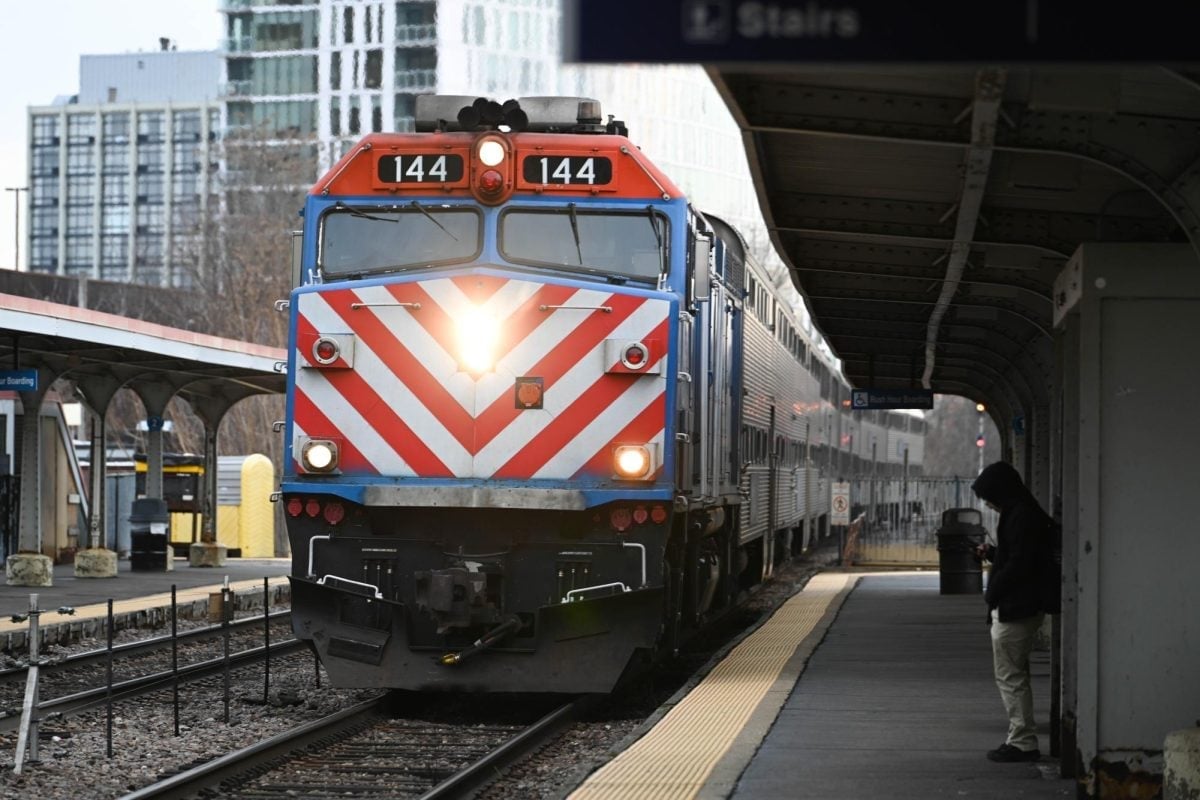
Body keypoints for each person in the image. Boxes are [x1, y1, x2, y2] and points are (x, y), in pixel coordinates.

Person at [971, 461, 1060, 763]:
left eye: (989, 497)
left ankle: (1022, 741)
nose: (989, 504)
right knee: (1015, 673)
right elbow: (1021, 557)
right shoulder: (1023, 512)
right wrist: (995, 555)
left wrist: (993, 591)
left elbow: (1021, 564)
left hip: (1016, 608)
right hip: (1023, 605)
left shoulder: (1019, 516)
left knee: (1010, 676)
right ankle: (1021, 737)